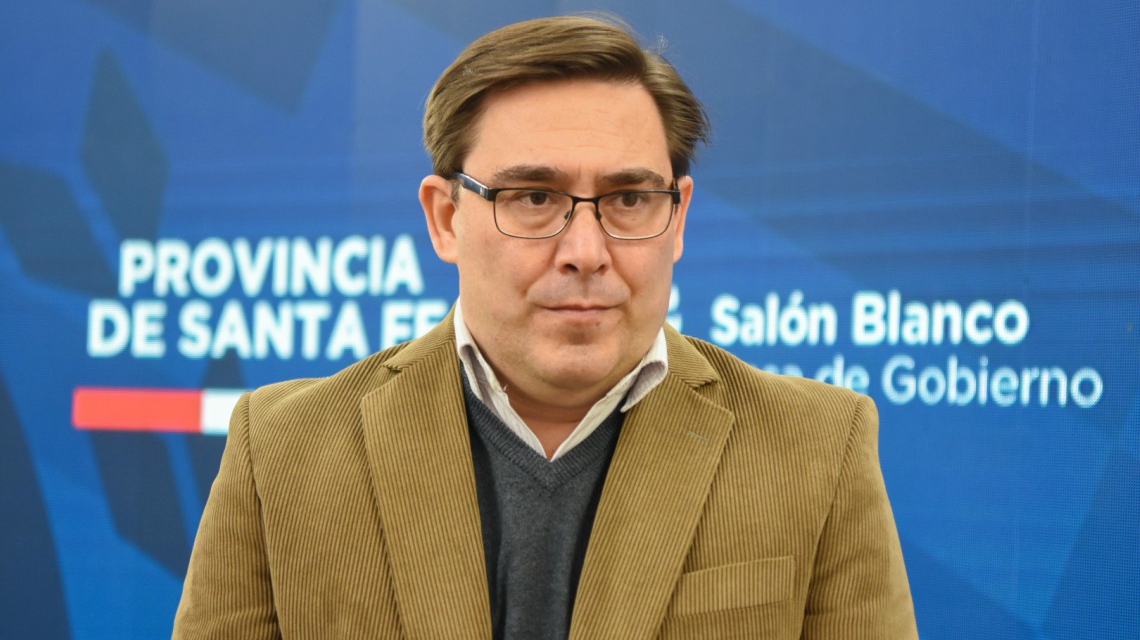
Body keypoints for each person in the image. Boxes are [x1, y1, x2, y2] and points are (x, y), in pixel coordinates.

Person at [173, 14, 918, 640]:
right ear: (445, 218)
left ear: (679, 217)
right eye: (534, 197)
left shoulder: (817, 448)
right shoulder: (284, 450)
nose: (586, 252)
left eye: (629, 199)